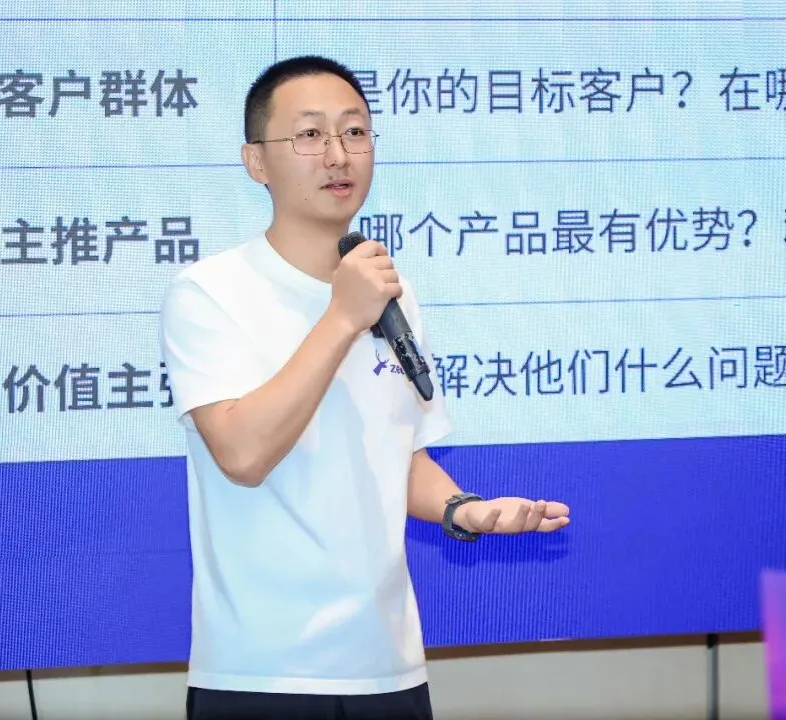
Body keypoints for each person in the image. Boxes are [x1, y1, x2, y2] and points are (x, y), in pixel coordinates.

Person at [159, 55, 571, 720]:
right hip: (264, 673)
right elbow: (242, 454)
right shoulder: (211, 292)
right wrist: (342, 317)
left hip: (389, 666)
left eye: (354, 132)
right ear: (256, 161)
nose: (338, 155)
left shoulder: (390, 292)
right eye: (309, 135)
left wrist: (463, 509)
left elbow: (399, 456)